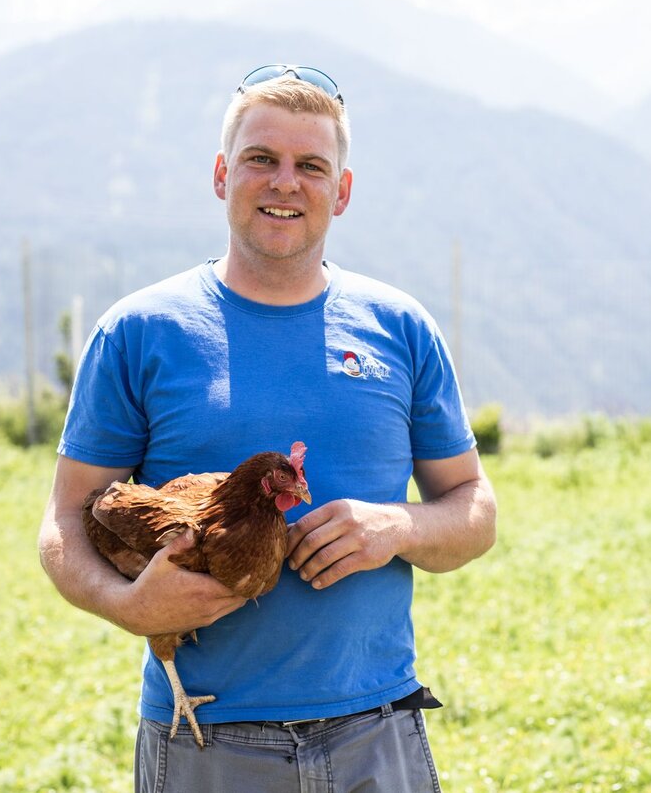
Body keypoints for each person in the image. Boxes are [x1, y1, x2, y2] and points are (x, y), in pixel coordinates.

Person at [38, 64, 497, 792]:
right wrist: (126, 605)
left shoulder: (401, 328)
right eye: (261, 159)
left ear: (341, 191)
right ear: (223, 175)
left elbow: (474, 509)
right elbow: (66, 519)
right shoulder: (139, 331)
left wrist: (399, 525)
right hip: (204, 736)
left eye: (311, 166)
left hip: (375, 727)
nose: (286, 182)